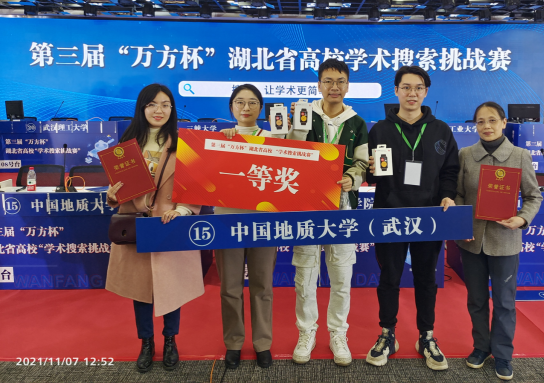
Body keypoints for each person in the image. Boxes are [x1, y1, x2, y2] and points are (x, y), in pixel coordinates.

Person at [365, 65, 459, 370]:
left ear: (426, 92)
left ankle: (426, 337)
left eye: (418, 88)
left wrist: (448, 195)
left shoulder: (440, 130)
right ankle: (387, 334)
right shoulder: (379, 129)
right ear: (396, 91)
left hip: (429, 217)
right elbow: (372, 176)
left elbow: (450, 171)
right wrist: (369, 170)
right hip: (389, 215)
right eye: (406, 87)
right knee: (389, 277)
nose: (412, 93)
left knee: (426, 278)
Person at [105, 83, 203, 373]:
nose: (158, 110)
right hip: (137, 226)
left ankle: (170, 340)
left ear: (172, 109)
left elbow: (194, 188)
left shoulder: (183, 146)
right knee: (141, 291)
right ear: (142, 108)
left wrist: (182, 210)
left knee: (172, 286)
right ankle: (146, 342)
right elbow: (118, 191)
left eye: (165, 105)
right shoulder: (126, 146)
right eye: (152, 105)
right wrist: (112, 195)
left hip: (169, 225)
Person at [287, 58, 368, 367]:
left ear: (347, 85)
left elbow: (362, 162)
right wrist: (295, 125)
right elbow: (290, 153)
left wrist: (353, 178)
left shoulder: (357, 123)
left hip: (343, 208)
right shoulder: (304, 115)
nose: (335, 87)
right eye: (328, 81)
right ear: (319, 84)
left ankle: (338, 333)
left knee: (341, 275)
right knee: (305, 274)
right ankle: (306, 332)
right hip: (307, 206)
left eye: (340, 81)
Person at [454, 101, 542, 381]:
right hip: (471, 240)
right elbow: (457, 194)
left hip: (505, 240)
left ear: (504, 123)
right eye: (480, 121)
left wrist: (522, 219)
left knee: (504, 301)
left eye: (492, 120)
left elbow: (533, 196)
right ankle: (481, 347)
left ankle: (503, 354)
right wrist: (460, 222)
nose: (487, 126)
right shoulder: (466, 155)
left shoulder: (520, 155)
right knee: (477, 299)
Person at [215, 84, 286, 370]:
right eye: (240, 102)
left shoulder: (274, 140)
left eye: (253, 102)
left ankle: (262, 343)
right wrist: (222, 144)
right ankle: (233, 342)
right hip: (227, 221)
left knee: (262, 285)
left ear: (261, 108)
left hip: (264, 222)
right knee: (230, 286)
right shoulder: (219, 141)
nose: (246, 107)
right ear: (231, 107)